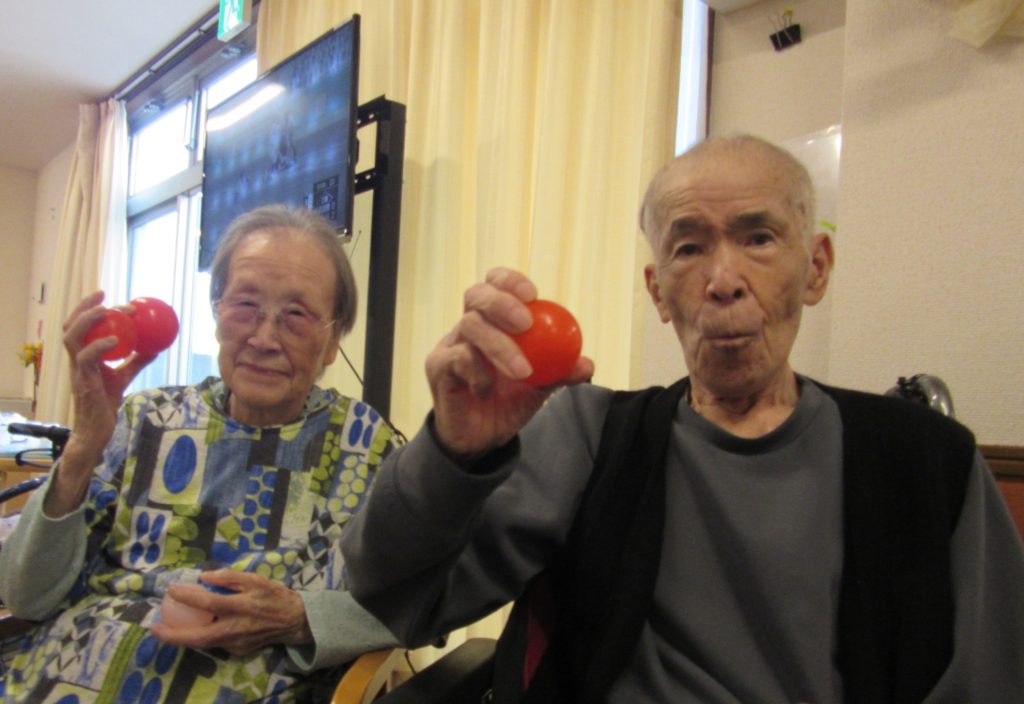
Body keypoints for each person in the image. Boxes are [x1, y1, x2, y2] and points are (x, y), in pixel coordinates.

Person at [341, 135, 1024, 703]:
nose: (723, 281)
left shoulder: (928, 461)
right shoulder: (589, 436)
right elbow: (395, 599)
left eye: (759, 238)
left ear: (816, 268)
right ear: (658, 291)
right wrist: (455, 452)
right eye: (689, 248)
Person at [0, 205, 400, 702]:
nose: (263, 338)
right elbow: (26, 594)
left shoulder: (363, 445)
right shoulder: (143, 418)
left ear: (333, 339)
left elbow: (416, 605)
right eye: (245, 305)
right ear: (216, 313)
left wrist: (300, 618)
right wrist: (82, 448)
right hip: (56, 678)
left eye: (296, 315)